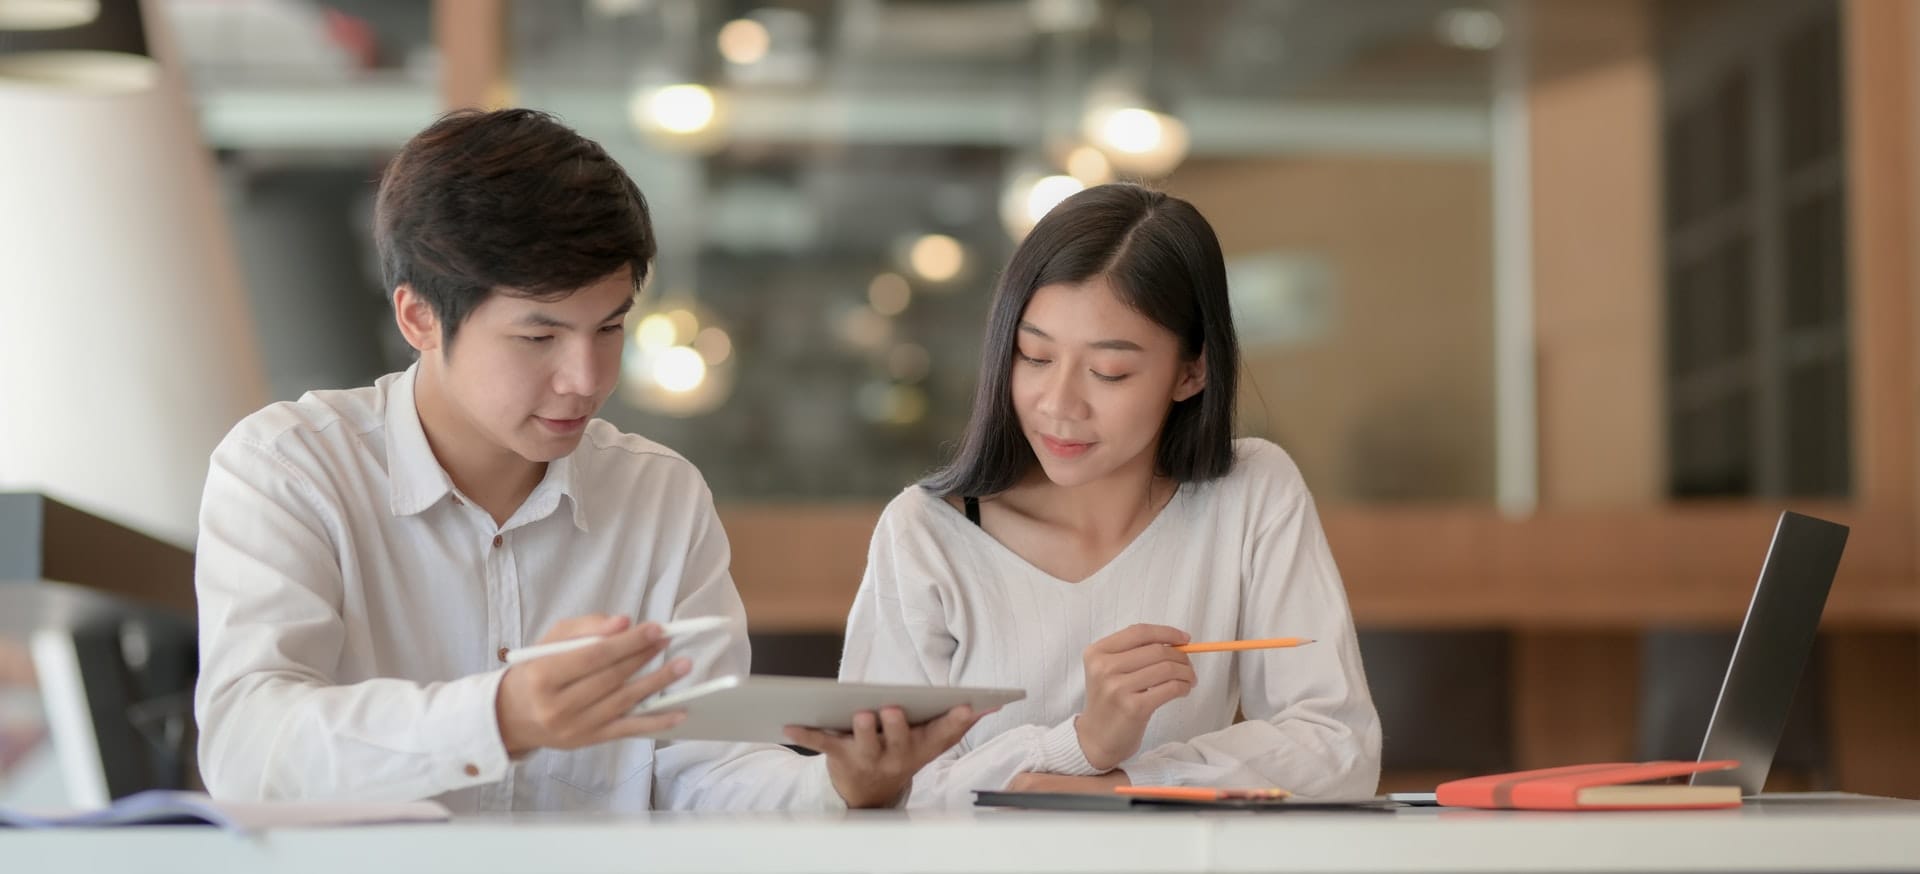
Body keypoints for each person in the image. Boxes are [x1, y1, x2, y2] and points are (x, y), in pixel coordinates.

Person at [192, 108, 976, 812]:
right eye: (539, 338)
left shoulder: (658, 495)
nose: (588, 379)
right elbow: (248, 748)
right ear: (420, 318)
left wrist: (838, 786)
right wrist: (500, 716)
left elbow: (704, 771)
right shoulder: (289, 469)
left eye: (609, 328)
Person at [839, 183, 1381, 808]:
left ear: (1191, 370)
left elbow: (1339, 746)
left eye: (1109, 372)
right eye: (1034, 356)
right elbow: (887, 793)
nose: (1059, 405)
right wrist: (1086, 743)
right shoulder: (926, 533)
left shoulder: (1252, 493)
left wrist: (1128, 781)